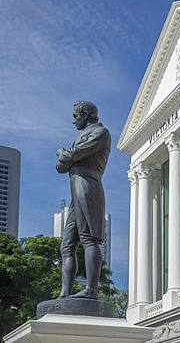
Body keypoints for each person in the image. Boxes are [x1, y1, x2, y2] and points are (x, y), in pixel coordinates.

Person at [56, 101, 111, 299]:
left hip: (88, 185)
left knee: (88, 238)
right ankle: (65, 294)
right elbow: (62, 166)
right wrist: (66, 157)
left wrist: (66, 155)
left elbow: (74, 155)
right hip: (75, 188)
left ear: (86, 114)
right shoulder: (81, 135)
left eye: (76, 116)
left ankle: (91, 290)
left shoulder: (101, 132)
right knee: (67, 245)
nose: (74, 121)